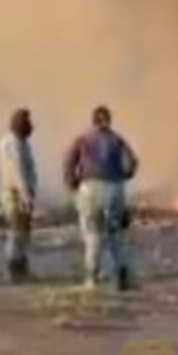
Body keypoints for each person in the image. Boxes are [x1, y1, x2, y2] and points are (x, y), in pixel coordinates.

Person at [63, 105, 139, 291]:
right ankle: (120, 276)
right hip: (114, 188)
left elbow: (69, 162)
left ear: (93, 121)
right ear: (109, 120)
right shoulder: (117, 140)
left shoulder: (83, 139)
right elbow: (133, 163)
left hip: (89, 188)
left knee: (92, 235)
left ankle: (91, 279)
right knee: (115, 235)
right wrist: (123, 175)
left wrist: (72, 182)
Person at [0, 108, 39, 282]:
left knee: (23, 232)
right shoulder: (12, 144)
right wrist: (25, 194)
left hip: (21, 192)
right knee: (16, 232)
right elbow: (17, 172)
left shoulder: (22, 144)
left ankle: (21, 269)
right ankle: (14, 271)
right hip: (15, 194)